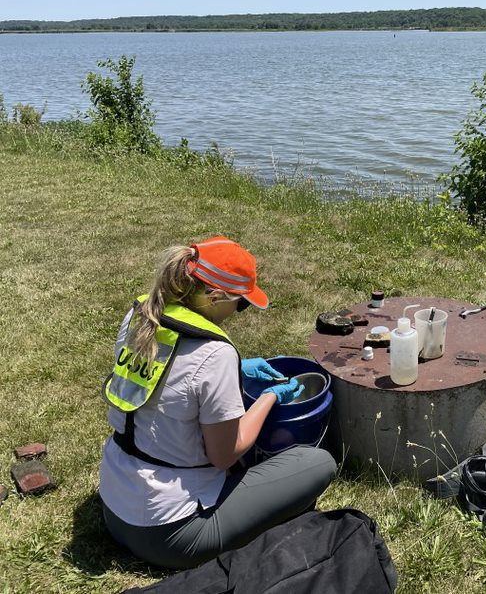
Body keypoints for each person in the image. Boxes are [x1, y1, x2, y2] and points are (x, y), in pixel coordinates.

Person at [99, 236, 337, 569]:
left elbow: (168, 374)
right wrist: (270, 396)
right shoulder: (215, 355)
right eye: (241, 304)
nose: (241, 313)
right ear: (215, 297)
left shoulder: (143, 317)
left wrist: (237, 369)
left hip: (114, 505)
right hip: (173, 535)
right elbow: (226, 454)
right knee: (318, 463)